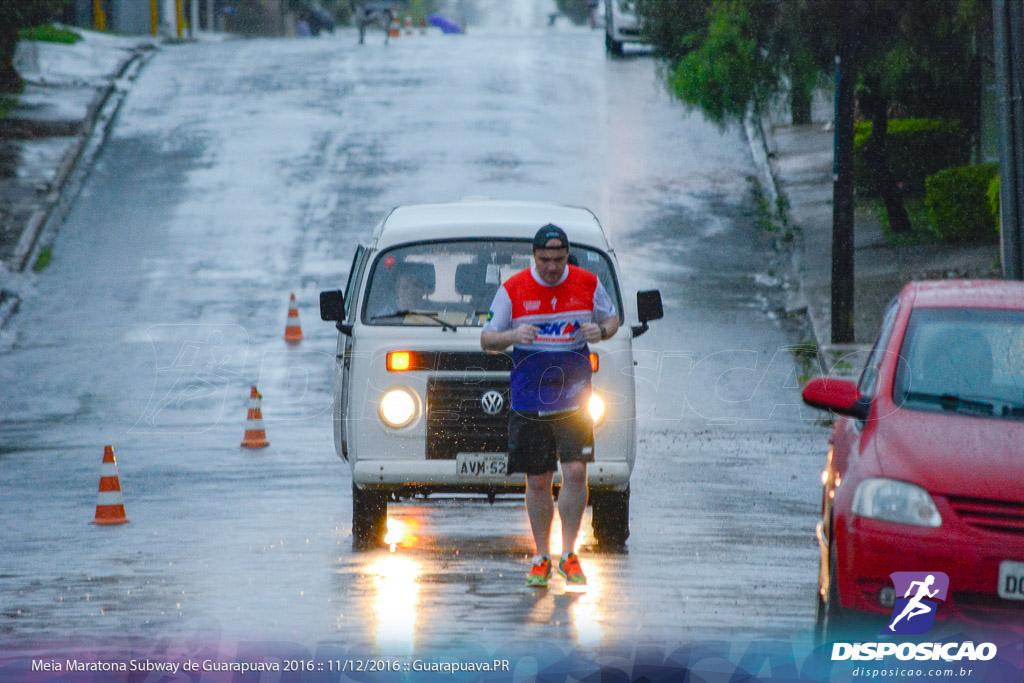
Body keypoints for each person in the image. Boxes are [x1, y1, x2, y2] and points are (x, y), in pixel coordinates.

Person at [480, 224, 620, 588]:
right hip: (530, 398)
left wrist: (601, 332)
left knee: (575, 473)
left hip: (575, 396)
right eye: (545, 260)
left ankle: (569, 554)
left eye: (559, 259)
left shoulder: (587, 282)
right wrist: (512, 335)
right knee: (539, 479)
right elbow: (487, 339)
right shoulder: (513, 289)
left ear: (567, 256)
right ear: (534, 257)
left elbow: (612, 319)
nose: (552, 267)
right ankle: (541, 556)